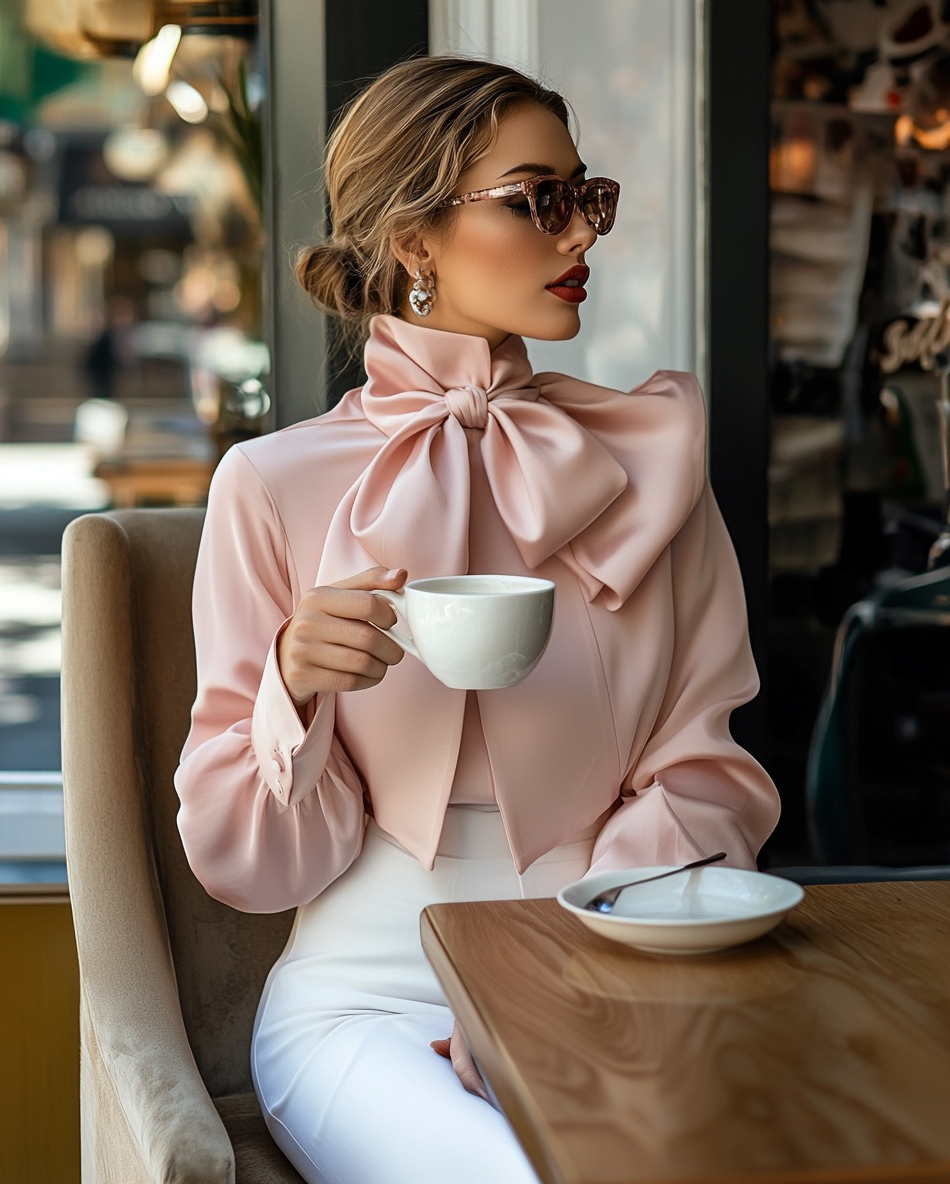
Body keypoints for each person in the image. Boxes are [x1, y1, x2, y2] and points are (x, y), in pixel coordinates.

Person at [175, 55, 781, 1184]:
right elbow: (245, 862)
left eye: (583, 197)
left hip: (615, 967)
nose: (580, 237)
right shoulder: (270, 484)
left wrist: (569, 986)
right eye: (535, 199)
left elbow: (704, 772)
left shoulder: (651, 466)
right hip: (366, 997)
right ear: (414, 237)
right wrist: (292, 695)